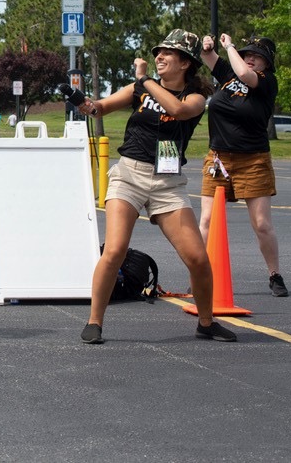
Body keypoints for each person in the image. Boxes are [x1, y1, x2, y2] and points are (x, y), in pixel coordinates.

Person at [75, 29, 236, 345]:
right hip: (129, 176)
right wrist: (88, 105)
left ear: (185, 63)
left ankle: (206, 323)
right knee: (116, 250)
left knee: (198, 258)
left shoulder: (195, 98)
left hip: (168, 183)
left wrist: (143, 80)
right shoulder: (140, 89)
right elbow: (102, 107)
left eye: (168, 53)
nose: (159, 57)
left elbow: (177, 111)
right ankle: (95, 322)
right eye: (158, 52)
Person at [200, 34, 288, 297]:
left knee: (261, 223)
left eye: (257, 56)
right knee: (206, 220)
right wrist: (208, 46)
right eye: (247, 54)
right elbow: (207, 57)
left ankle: (274, 274)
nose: (250, 59)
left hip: (253, 159)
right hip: (218, 158)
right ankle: (201, 274)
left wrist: (230, 47)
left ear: (267, 64)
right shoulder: (229, 75)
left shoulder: (266, 82)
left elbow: (245, 74)